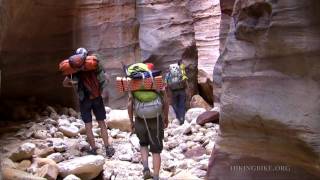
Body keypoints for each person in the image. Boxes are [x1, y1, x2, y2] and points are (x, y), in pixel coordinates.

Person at [62, 47, 115, 157]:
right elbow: (106, 79)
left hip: (84, 100)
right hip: (96, 98)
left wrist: (72, 84)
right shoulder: (94, 66)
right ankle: (107, 148)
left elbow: (64, 84)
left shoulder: (74, 70)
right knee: (102, 124)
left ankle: (94, 149)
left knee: (88, 126)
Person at [128, 86, 169, 180]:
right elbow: (165, 101)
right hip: (156, 119)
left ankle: (146, 168)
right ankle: (156, 177)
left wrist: (131, 121)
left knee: (143, 144)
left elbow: (130, 104)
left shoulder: (133, 82)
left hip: (140, 119)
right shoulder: (156, 80)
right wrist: (166, 117)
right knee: (156, 150)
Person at [165, 60, 189, 125]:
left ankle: (178, 117)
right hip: (182, 90)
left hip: (173, 92)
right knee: (182, 104)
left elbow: (166, 85)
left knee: (175, 104)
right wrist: (187, 89)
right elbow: (185, 81)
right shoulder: (181, 72)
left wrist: (167, 93)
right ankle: (182, 118)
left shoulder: (168, 74)